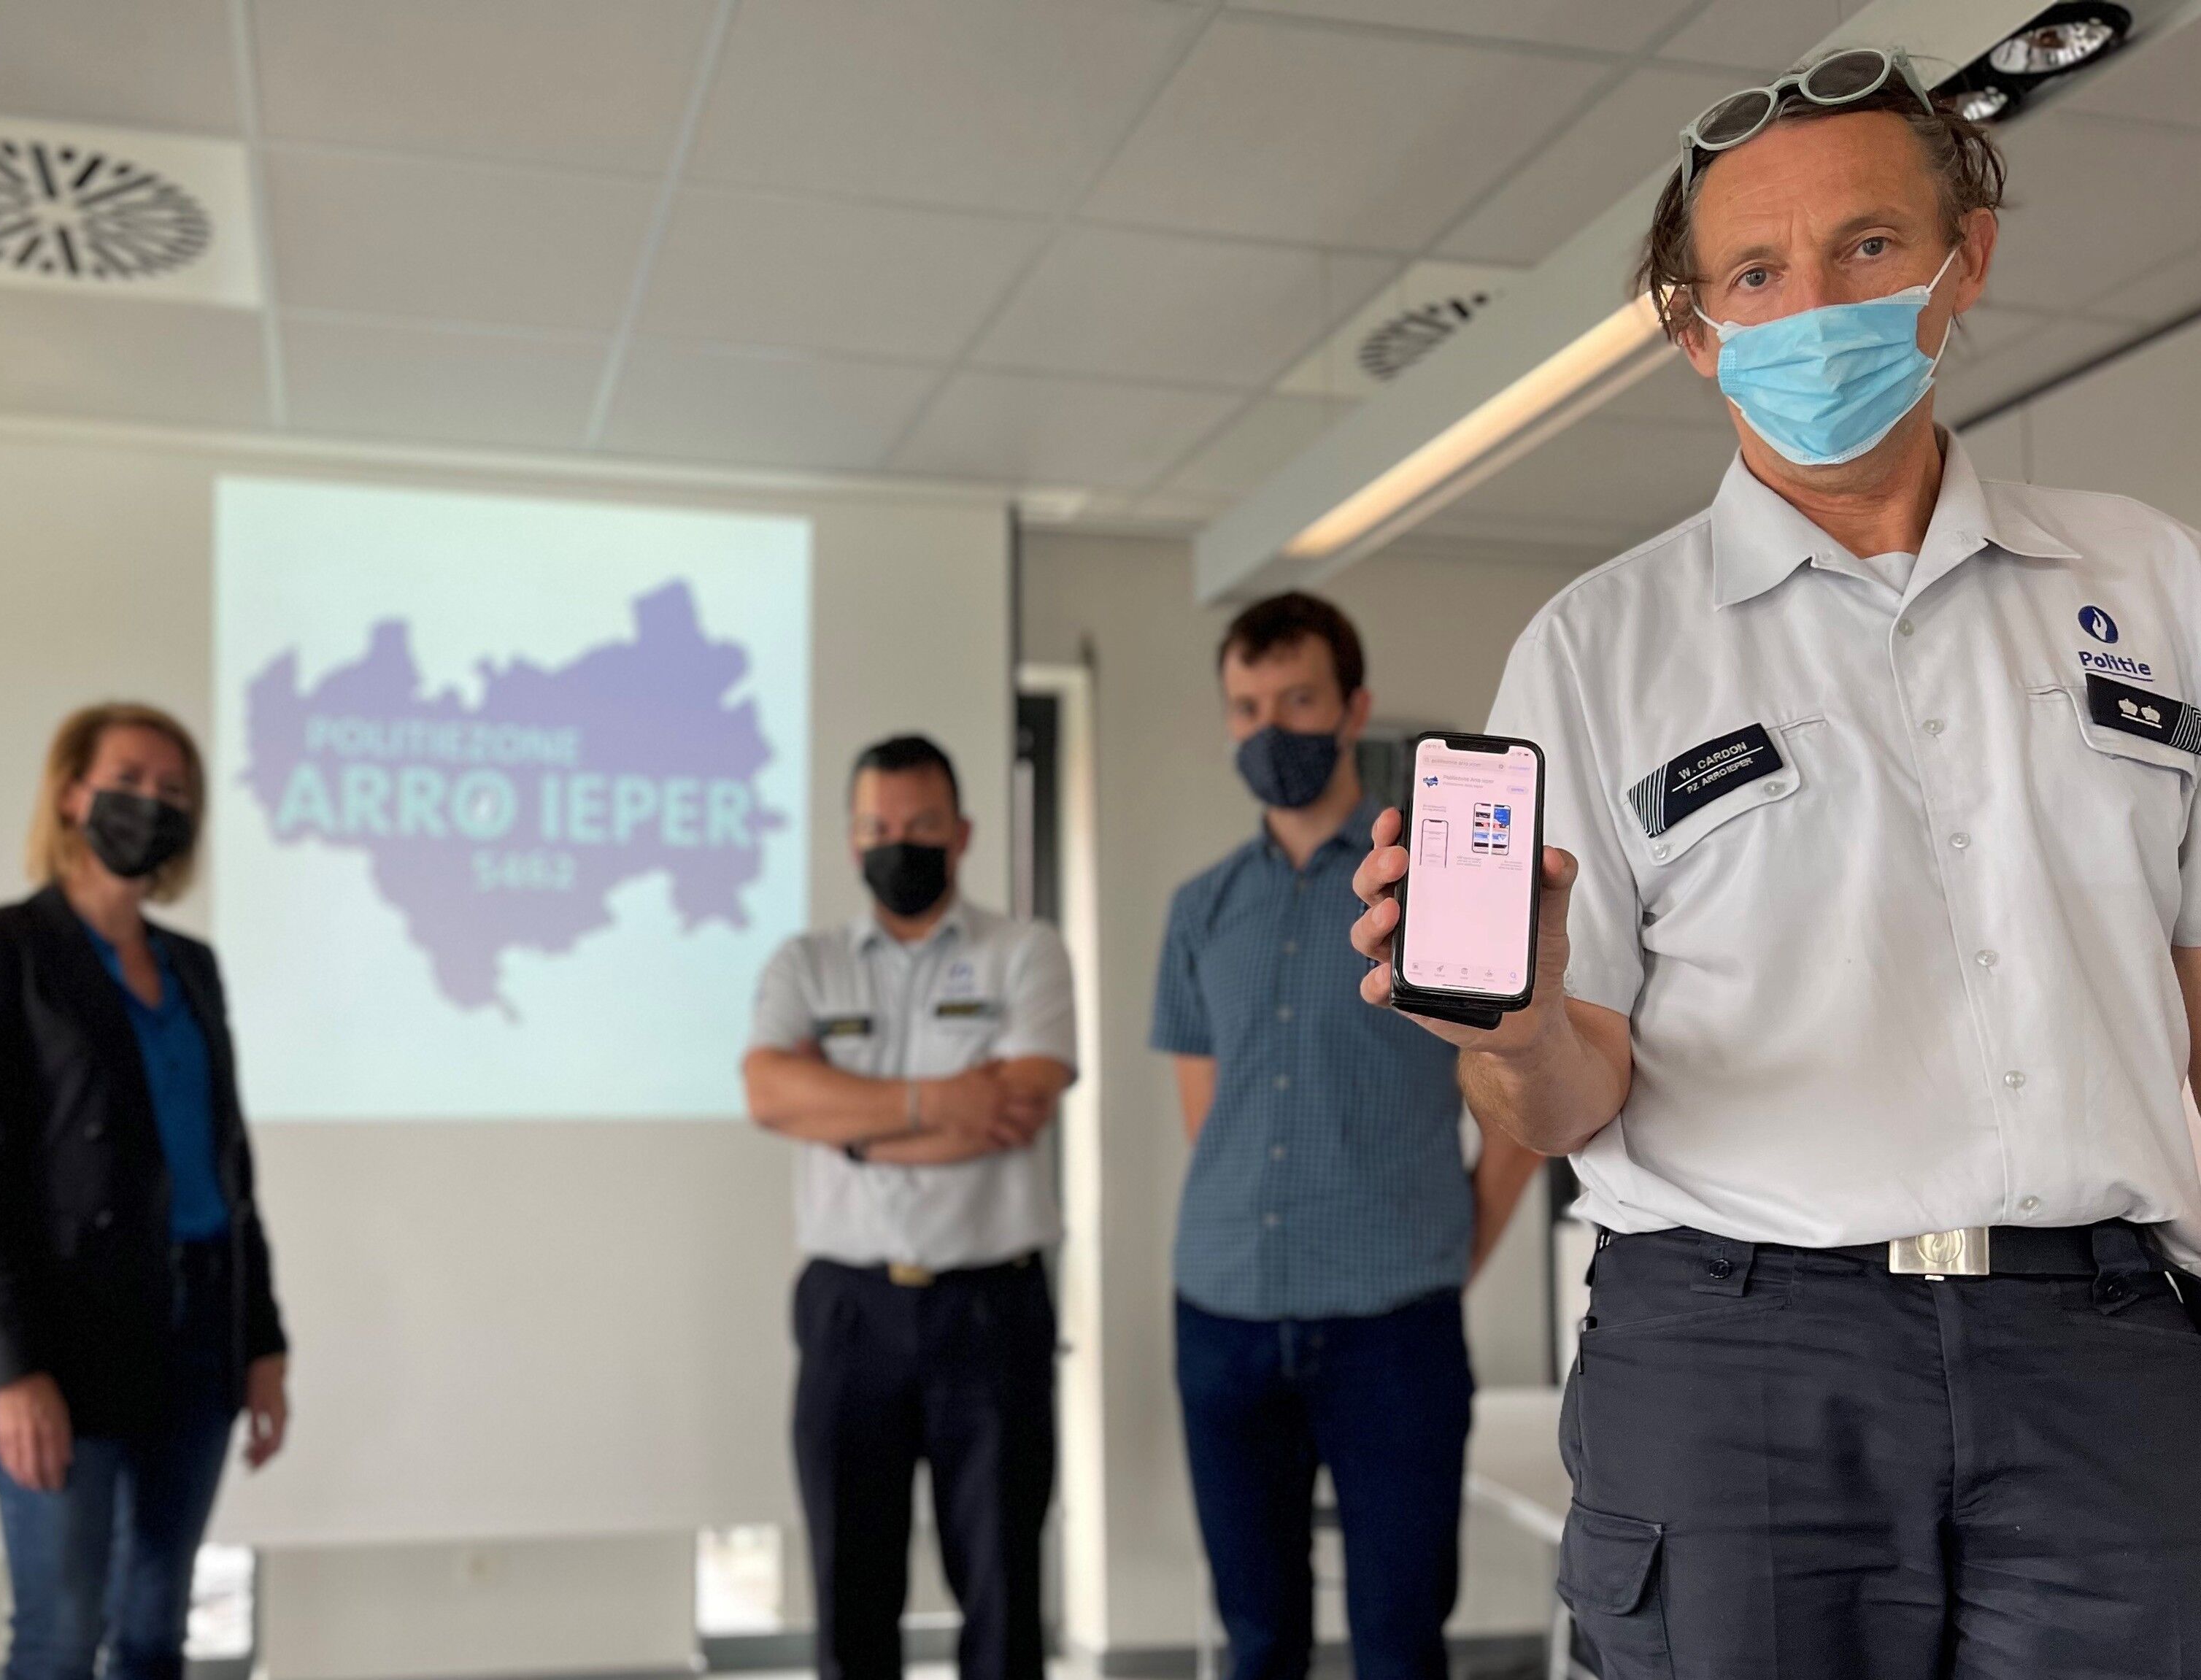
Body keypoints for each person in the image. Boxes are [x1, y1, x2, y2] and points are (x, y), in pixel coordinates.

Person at [1348, 47, 2201, 1673]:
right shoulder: (1600, 648)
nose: (1812, 305)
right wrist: (1516, 1028)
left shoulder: (2157, 584)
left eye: (1868, 245)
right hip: (1740, 1353)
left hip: (2099, 1345)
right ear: (1697, 329)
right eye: (1755, 272)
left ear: (1965, 259)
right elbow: (1560, 1101)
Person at [1155, 593, 1540, 1680]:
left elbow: (1518, 1104)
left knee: (1399, 1644)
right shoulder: (1200, 908)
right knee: (1257, 1640)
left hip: (1392, 1329)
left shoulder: (1432, 886)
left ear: (1353, 708)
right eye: (1248, 706)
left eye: (1298, 700)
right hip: (1222, 1315)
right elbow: (1206, 1117)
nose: (1270, 726)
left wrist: (1452, 1255)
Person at [0, 704, 292, 1680]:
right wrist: (12, 1371)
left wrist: (262, 1342)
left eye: (174, 790)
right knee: (60, 1638)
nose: (152, 804)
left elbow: (230, 1169)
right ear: (69, 795)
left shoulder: (192, 965)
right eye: (128, 781)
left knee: (153, 1633)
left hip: (198, 1333)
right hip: (61, 1341)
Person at [743, 735, 1076, 1680]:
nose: (899, 843)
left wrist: (846, 1119)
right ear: (852, 840)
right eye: (878, 826)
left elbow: (1016, 1109)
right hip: (849, 1311)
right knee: (851, 1602)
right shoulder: (805, 964)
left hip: (992, 1310)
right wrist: (938, 1102)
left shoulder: (1026, 952)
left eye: (922, 824)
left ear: (961, 833)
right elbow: (768, 1092)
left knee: (1004, 1598)